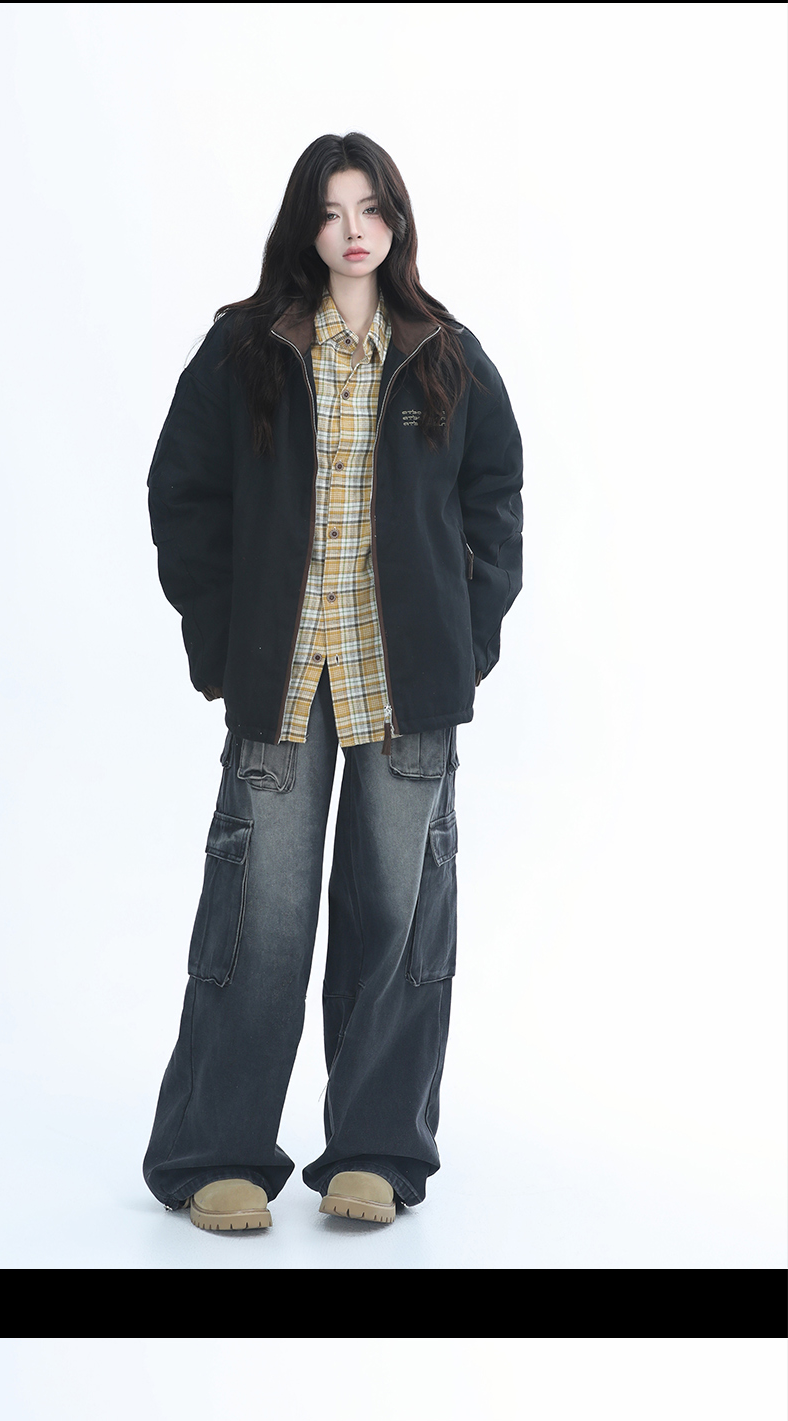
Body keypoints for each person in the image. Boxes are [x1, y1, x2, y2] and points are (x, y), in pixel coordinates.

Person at [142, 132, 523, 1231]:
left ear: (395, 219)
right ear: (302, 227)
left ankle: (374, 1150)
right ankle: (217, 1150)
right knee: (256, 917)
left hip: (407, 684)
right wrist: (219, 644)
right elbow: (181, 493)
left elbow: (495, 503)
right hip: (282, 675)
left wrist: (465, 639)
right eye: (330, 210)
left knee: (398, 921)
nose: (353, 230)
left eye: (370, 208)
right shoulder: (246, 348)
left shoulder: (446, 352)